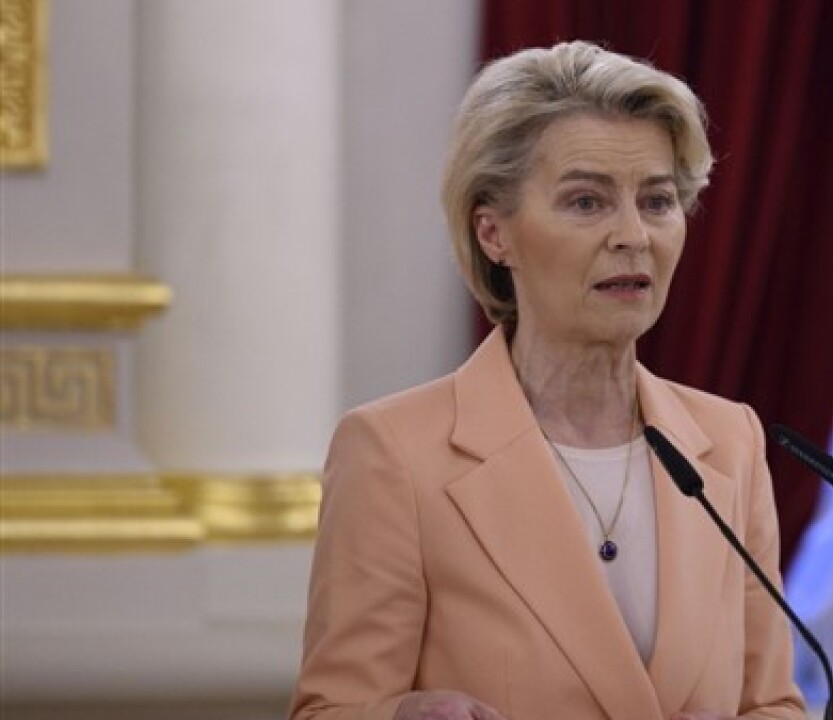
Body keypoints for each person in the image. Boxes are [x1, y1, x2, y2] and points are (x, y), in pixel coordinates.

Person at [289, 40, 806, 720]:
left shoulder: (728, 442)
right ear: (494, 234)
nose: (633, 236)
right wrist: (400, 716)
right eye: (587, 202)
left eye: (657, 201)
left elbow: (772, 704)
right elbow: (331, 710)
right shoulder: (394, 454)